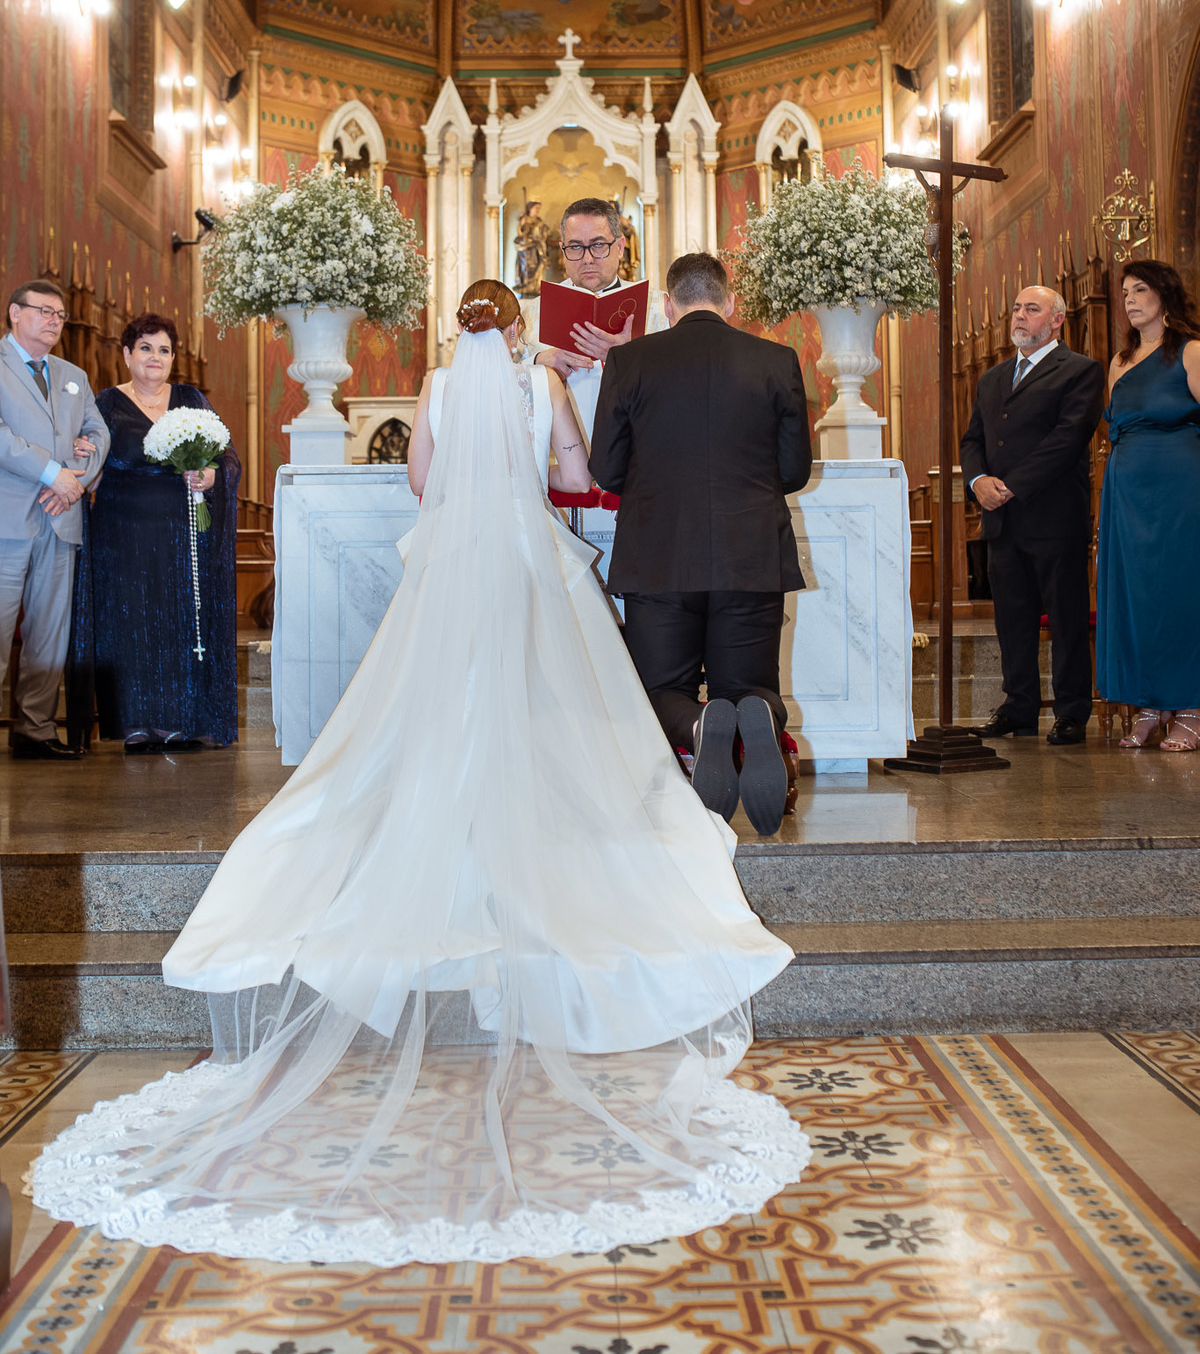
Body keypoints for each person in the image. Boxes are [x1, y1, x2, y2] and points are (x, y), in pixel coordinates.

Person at [30, 277, 807, 1264]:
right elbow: (576, 473)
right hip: (532, 554)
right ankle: (612, 798)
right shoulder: (544, 389)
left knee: (438, 700)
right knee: (558, 707)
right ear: (519, 331)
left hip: (452, 560)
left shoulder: (436, 388)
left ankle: (456, 825)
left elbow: (420, 486)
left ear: (453, 332)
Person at [589, 253, 812, 836]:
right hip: (751, 554)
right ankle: (757, 713)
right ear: (729, 301)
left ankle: (698, 725)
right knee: (753, 684)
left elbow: (607, 470)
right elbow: (794, 470)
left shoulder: (629, 360)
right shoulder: (777, 360)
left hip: (658, 557)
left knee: (661, 689)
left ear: (668, 305)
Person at [67, 315, 240, 751]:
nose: (154, 358)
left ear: (173, 357)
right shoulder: (106, 403)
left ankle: (182, 719)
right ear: (126, 355)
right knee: (131, 626)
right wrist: (77, 450)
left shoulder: (190, 398)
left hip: (183, 538)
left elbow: (229, 459)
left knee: (180, 622)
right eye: (145, 348)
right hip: (121, 541)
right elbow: (86, 452)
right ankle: (135, 724)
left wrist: (210, 476)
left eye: (163, 350)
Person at [960, 285, 1105, 745]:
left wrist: (1012, 485)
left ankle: (1071, 711)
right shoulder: (992, 377)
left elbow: (1068, 438)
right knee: (1013, 620)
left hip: (1053, 516)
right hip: (1002, 520)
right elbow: (972, 440)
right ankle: (1019, 706)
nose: (1019, 316)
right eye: (1017, 308)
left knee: (1065, 619)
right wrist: (978, 480)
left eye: (1032, 309)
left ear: (1057, 320)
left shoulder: (1080, 371)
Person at [0, 279, 109, 760]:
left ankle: (35, 729)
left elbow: (97, 431)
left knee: (49, 631)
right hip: (8, 518)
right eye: (44, 311)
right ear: (14, 313)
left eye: (60, 315)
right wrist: (55, 472)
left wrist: (78, 480)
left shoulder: (74, 374)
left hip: (61, 518)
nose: (53, 321)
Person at [1095, 261, 1200, 750]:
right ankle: (1150, 703)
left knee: (1179, 590)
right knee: (1137, 594)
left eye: (1141, 289)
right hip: (1126, 491)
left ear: (1165, 295)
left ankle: (1191, 705)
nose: (1130, 299)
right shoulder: (1119, 361)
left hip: (1181, 487)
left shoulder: (1191, 352)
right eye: (1125, 292)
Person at [531, 196, 667, 439]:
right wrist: (537, 362)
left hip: (636, 455)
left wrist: (630, 358)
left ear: (620, 247)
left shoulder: (659, 308)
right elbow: (498, 383)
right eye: (575, 247)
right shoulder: (531, 315)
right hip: (559, 462)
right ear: (562, 249)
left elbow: (686, 380)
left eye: (598, 245)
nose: (587, 259)